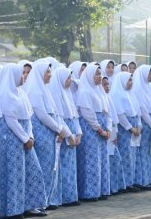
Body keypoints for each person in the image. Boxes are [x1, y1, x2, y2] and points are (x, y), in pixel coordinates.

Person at [0, 63, 47, 218]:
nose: (23, 76)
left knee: (32, 171)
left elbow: (28, 118)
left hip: (25, 137)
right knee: (14, 174)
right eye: (21, 74)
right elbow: (11, 120)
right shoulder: (5, 94)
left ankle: (29, 205)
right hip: (13, 139)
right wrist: (25, 138)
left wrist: (30, 136)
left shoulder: (21, 93)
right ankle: (13, 209)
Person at [26, 62, 68, 209]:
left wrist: (60, 129)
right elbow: (42, 115)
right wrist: (58, 129)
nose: (50, 74)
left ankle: (49, 199)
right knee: (44, 165)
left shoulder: (46, 89)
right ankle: (40, 201)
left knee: (52, 165)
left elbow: (55, 113)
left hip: (51, 132)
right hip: (42, 131)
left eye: (50, 72)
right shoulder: (35, 91)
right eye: (47, 72)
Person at [76, 63, 111, 201]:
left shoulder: (100, 91)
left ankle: (101, 190)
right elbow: (87, 113)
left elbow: (107, 112)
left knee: (101, 160)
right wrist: (99, 129)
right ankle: (90, 193)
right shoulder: (85, 91)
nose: (99, 76)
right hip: (91, 130)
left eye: (100, 74)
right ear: (90, 75)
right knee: (91, 161)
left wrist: (108, 128)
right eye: (97, 74)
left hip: (102, 130)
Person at [50, 67, 82, 206]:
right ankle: (62, 197)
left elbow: (75, 116)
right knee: (63, 167)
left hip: (72, 133)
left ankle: (71, 196)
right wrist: (69, 134)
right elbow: (59, 118)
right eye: (67, 78)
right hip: (64, 133)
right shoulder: (55, 94)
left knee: (71, 167)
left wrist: (79, 133)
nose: (70, 81)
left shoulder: (68, 93)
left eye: (70, 78)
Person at [110, 71, 141, 191]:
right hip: (125, 130)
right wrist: (130, 128)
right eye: (129, 80)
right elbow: (120, 115)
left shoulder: (132, 94)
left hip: (135, 129)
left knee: (133, 155)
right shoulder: (117, 94)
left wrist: (138, 125)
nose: (131, 83)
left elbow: (138, 112)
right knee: (126, 156)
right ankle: (125, 183)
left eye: (131, 80)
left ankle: (131, 181)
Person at [101, 75, 126, 195]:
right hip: (104, 132)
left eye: (107, 84)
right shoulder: (99, 98)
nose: (107, 87)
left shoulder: (107, 97)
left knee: (115, 159)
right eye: (104, 84)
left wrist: (113, 130)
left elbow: (112, 116)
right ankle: (109, 187)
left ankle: (114, 187)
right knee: (110, 160)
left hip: (111, 132)